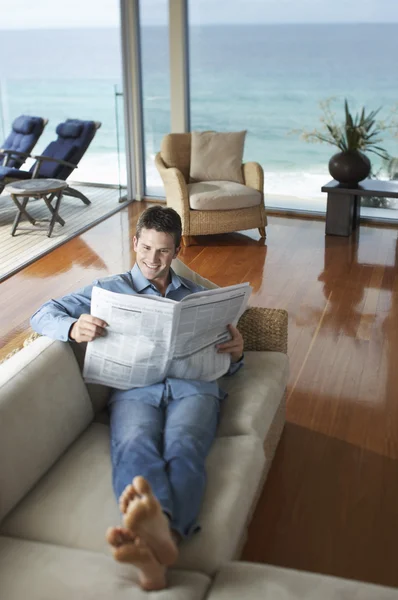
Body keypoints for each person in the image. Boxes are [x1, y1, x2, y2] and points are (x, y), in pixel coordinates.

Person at [30, 206, 244, 591]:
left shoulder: (199, 298)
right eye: (145, 248)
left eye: (162, 251)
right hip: (134, 389)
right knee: (134, 443)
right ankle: (163, 543)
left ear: (177, 250)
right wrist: (73, 325)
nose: (151, 259)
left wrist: (237, 351)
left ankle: (157, 547)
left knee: (185, 446)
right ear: (135, 242)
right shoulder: (108, 290)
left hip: (193, 387)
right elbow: (43, 314)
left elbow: (226, 362)